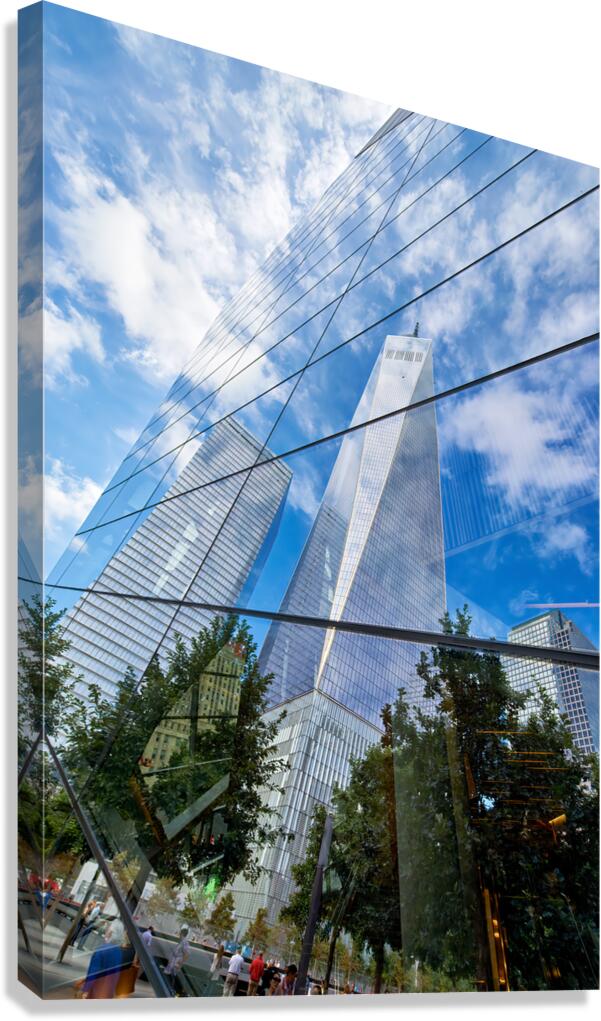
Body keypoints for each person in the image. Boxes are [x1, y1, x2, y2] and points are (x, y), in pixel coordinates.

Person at [164, 924, 191, 994]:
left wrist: (179, 964)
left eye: (180, 933)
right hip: (172, 964)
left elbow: (187, 955)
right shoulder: (181, 942)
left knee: (171, 980)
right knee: (169, 980)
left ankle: (171, 993)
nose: (179, 934)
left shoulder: (185, 942)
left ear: (182, 933)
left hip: (175, 965)